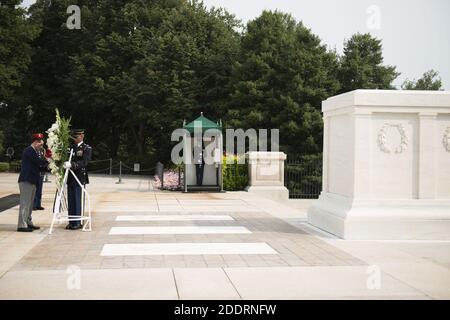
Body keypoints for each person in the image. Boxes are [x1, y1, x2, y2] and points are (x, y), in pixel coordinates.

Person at [17, 133, 51, 232]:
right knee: (25, 203)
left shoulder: (35, 151)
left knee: (30, 204)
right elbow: (39, 162)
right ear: (36, 142)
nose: (41, 146)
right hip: (26, 180)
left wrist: (48, 163)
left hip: (32, 180)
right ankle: (22, 225)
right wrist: (48, 160)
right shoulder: (29, 150)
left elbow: (41, 165)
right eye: (40, 144)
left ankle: (28, 222)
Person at [66, 129, 92, 230]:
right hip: (70, 176)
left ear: (81, 136)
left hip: (79, 177)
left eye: (77, 136)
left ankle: (77, 222)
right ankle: (71, 222)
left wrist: (73, 165)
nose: (75, 139)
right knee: (71, 200)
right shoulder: (70, 148)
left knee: (77, 199)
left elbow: (84, 162)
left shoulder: (86, 148)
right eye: (75, 137)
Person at [33, 145, 46, 210]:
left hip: (41, 172)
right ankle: (34, 205)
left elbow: (44, 158)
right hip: (36, 172)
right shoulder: (34, 150)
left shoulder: (43, 150)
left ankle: (38, 204)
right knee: (35, 189)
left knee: (39, 189)